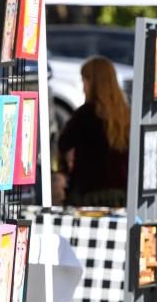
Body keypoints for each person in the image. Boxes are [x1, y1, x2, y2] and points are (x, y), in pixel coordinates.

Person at [56, 56, 130, 207]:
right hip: (123, 194)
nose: (83, 87)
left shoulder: (86, 113)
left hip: (89, 194)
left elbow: (63, 143)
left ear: (92, 83)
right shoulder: (126, 114)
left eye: (84, 81)